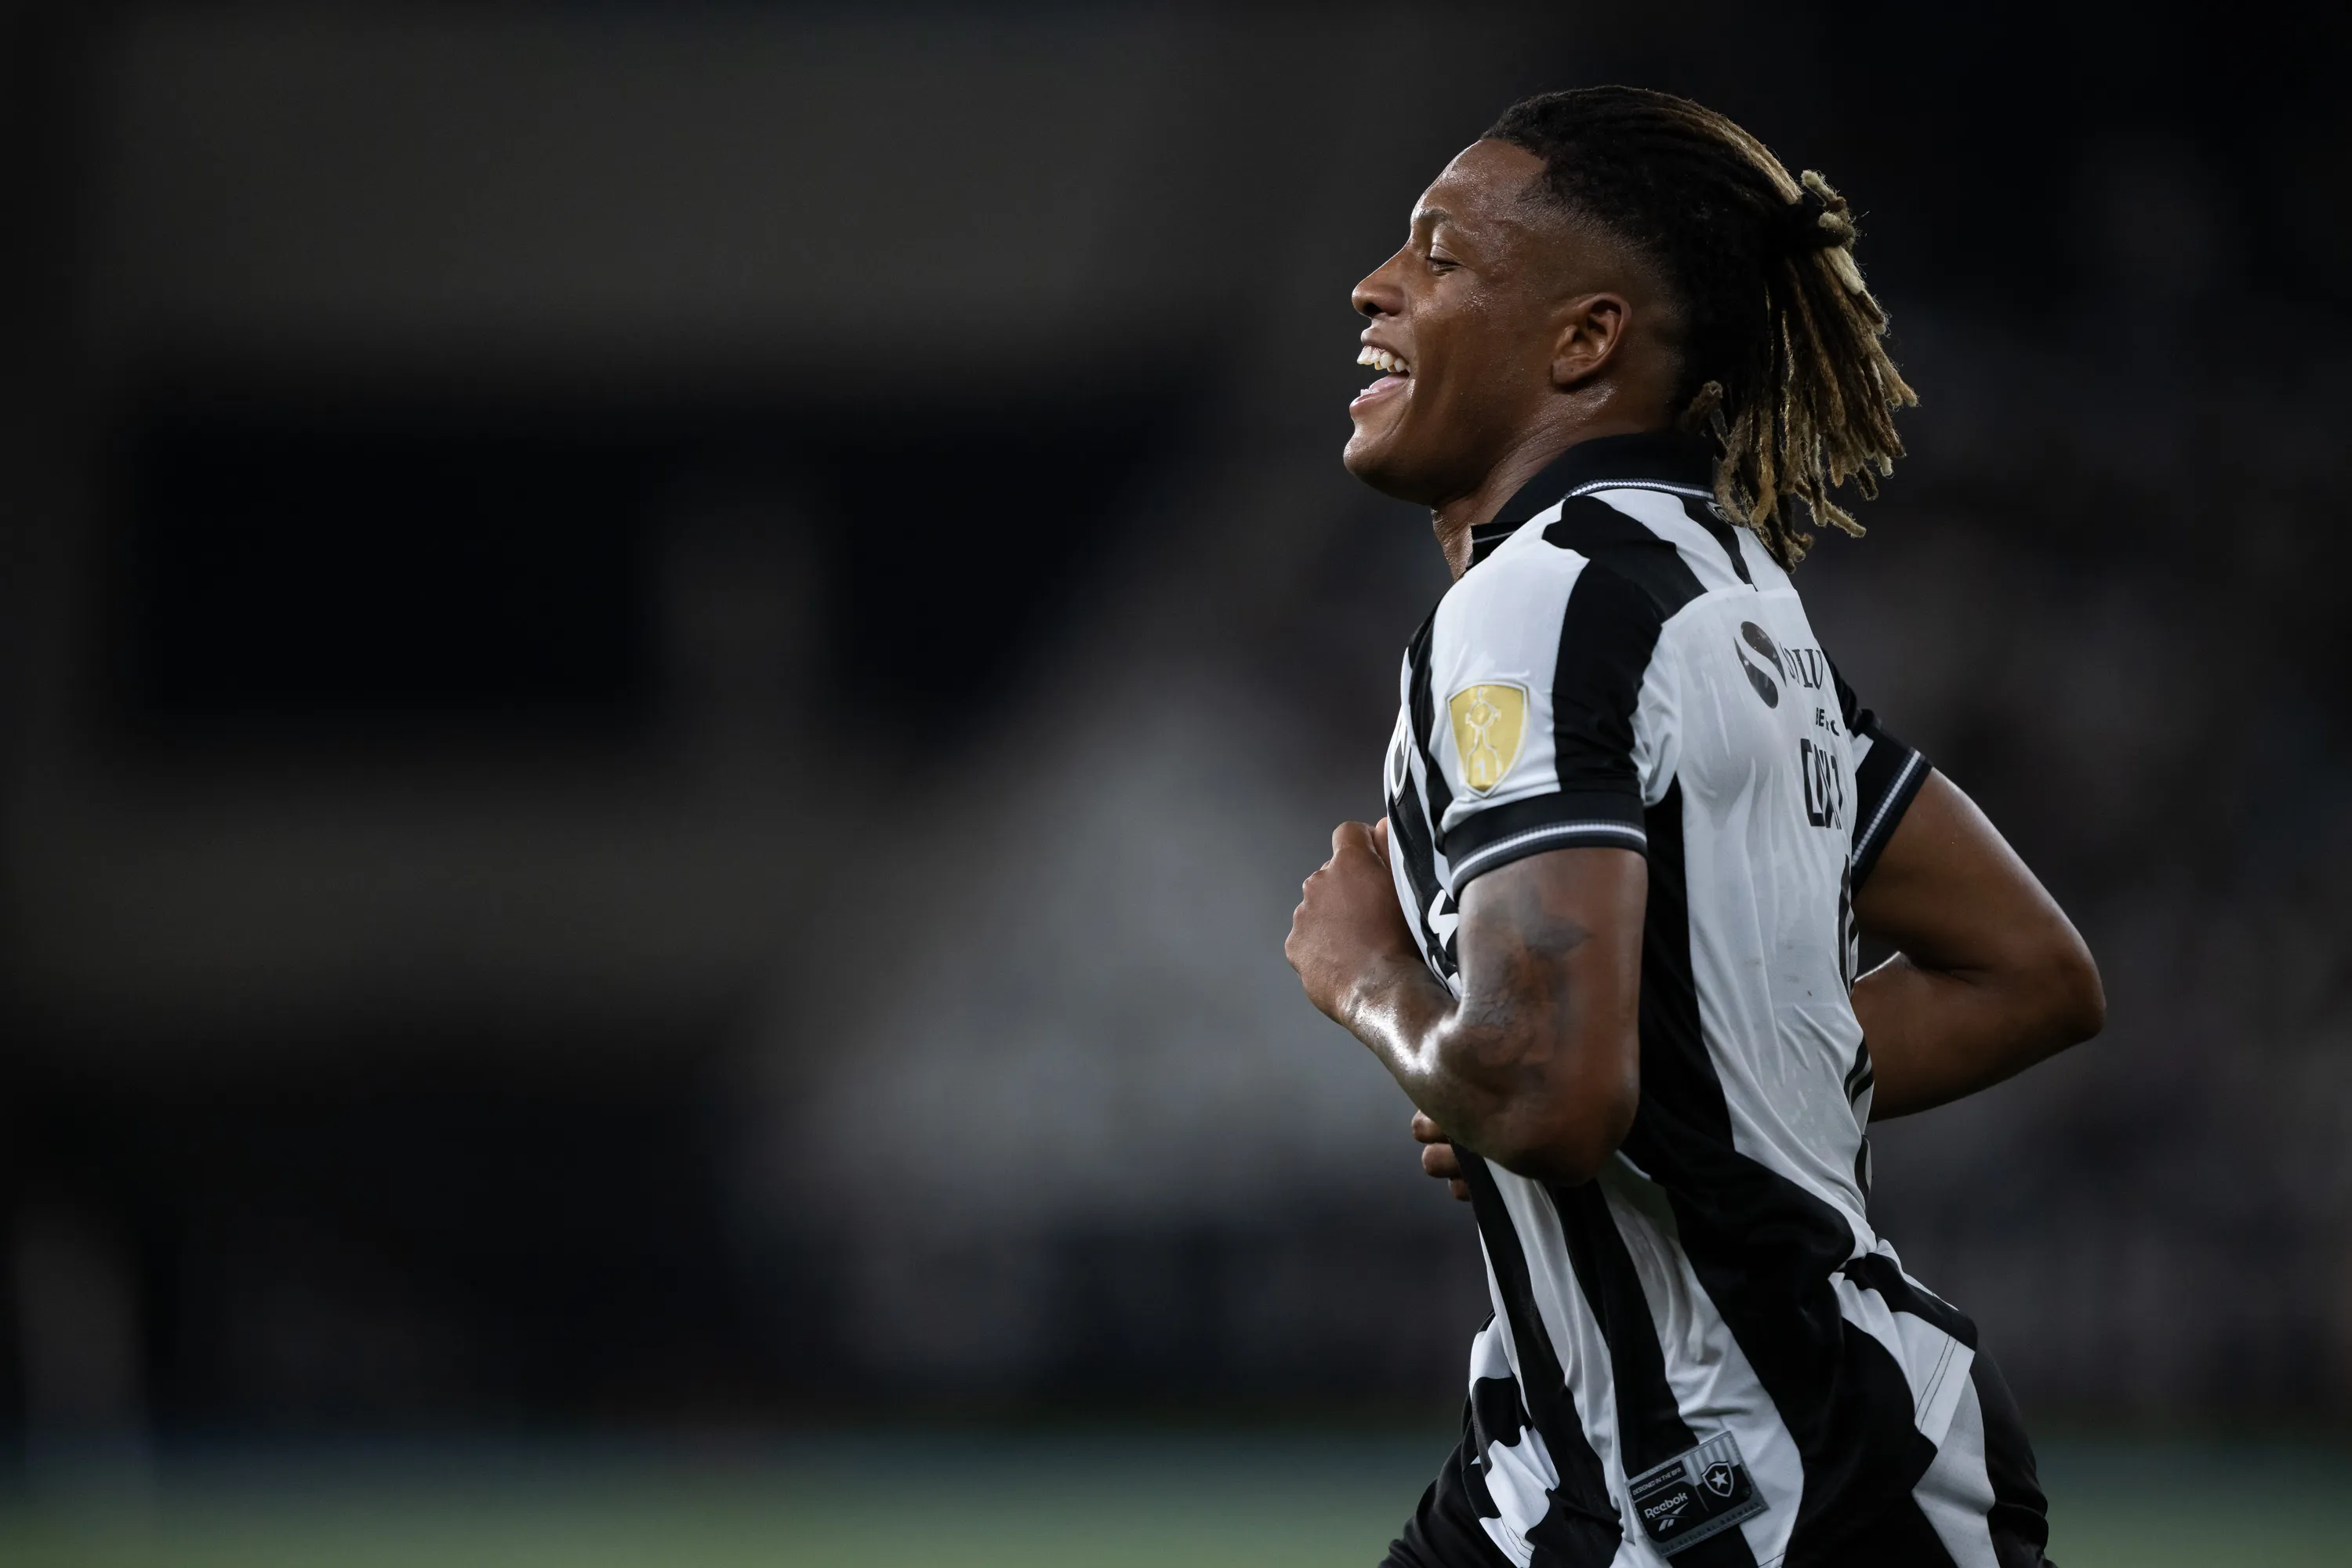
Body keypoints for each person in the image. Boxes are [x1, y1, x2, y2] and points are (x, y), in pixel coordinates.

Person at [1283, 87, 2104, 1568]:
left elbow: (1545, 1093)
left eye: (1441, 255)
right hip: (1573, 1472)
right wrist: (1668, 1103)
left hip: (1769, 1486)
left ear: (1584, 341)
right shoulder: (1726, 593)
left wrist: (1366, 978)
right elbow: (2025, 971)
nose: (1375, 285)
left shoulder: (1538, 600)